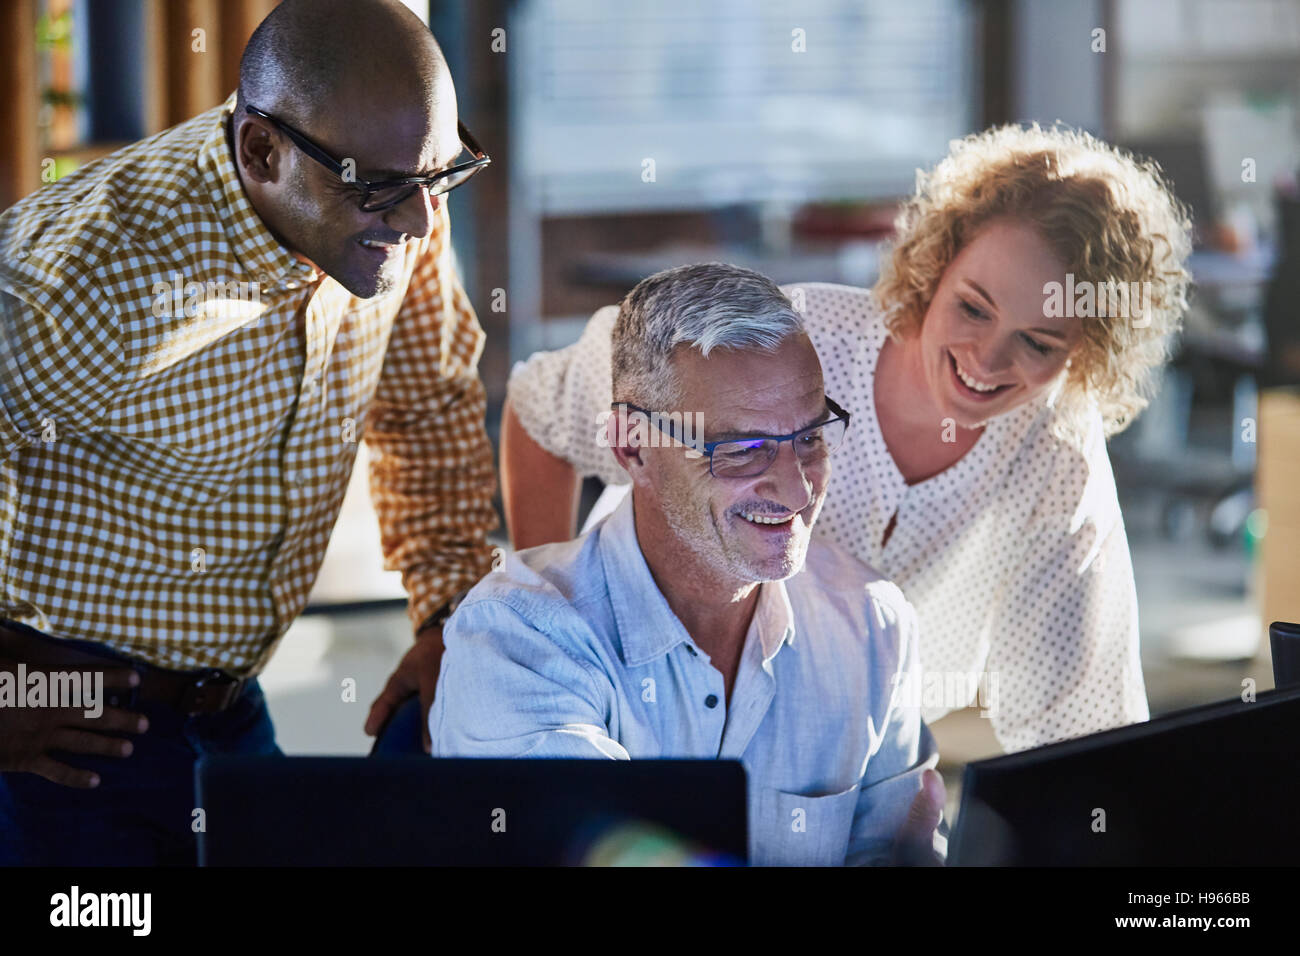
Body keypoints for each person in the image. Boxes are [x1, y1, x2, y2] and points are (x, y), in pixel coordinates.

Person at [502, 124, 1195, 753]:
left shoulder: (1056, 461)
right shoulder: (777, 339)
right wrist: (540, 620)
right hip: (637, 721)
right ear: (936, 267)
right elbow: (541, 411)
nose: (985, 359)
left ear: (1088, 350)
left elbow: (1076, 731)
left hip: (848, 776)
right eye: (972, 307)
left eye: (1038, 342)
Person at [0, 0, 495, 864]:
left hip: (227, 714)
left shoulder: (401, 198)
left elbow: (425, 406)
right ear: (262, 152)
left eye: (441, 177)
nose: (419, 222)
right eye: (380, 188)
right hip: (63, 738)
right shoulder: (85, 276)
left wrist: (447, 612)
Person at [432, 264, 946, 866]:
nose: (797, 490)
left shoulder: (873, 624)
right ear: (631, 447)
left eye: (809, 438)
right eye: (741, 450)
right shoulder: (516, 636)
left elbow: (896, 857)